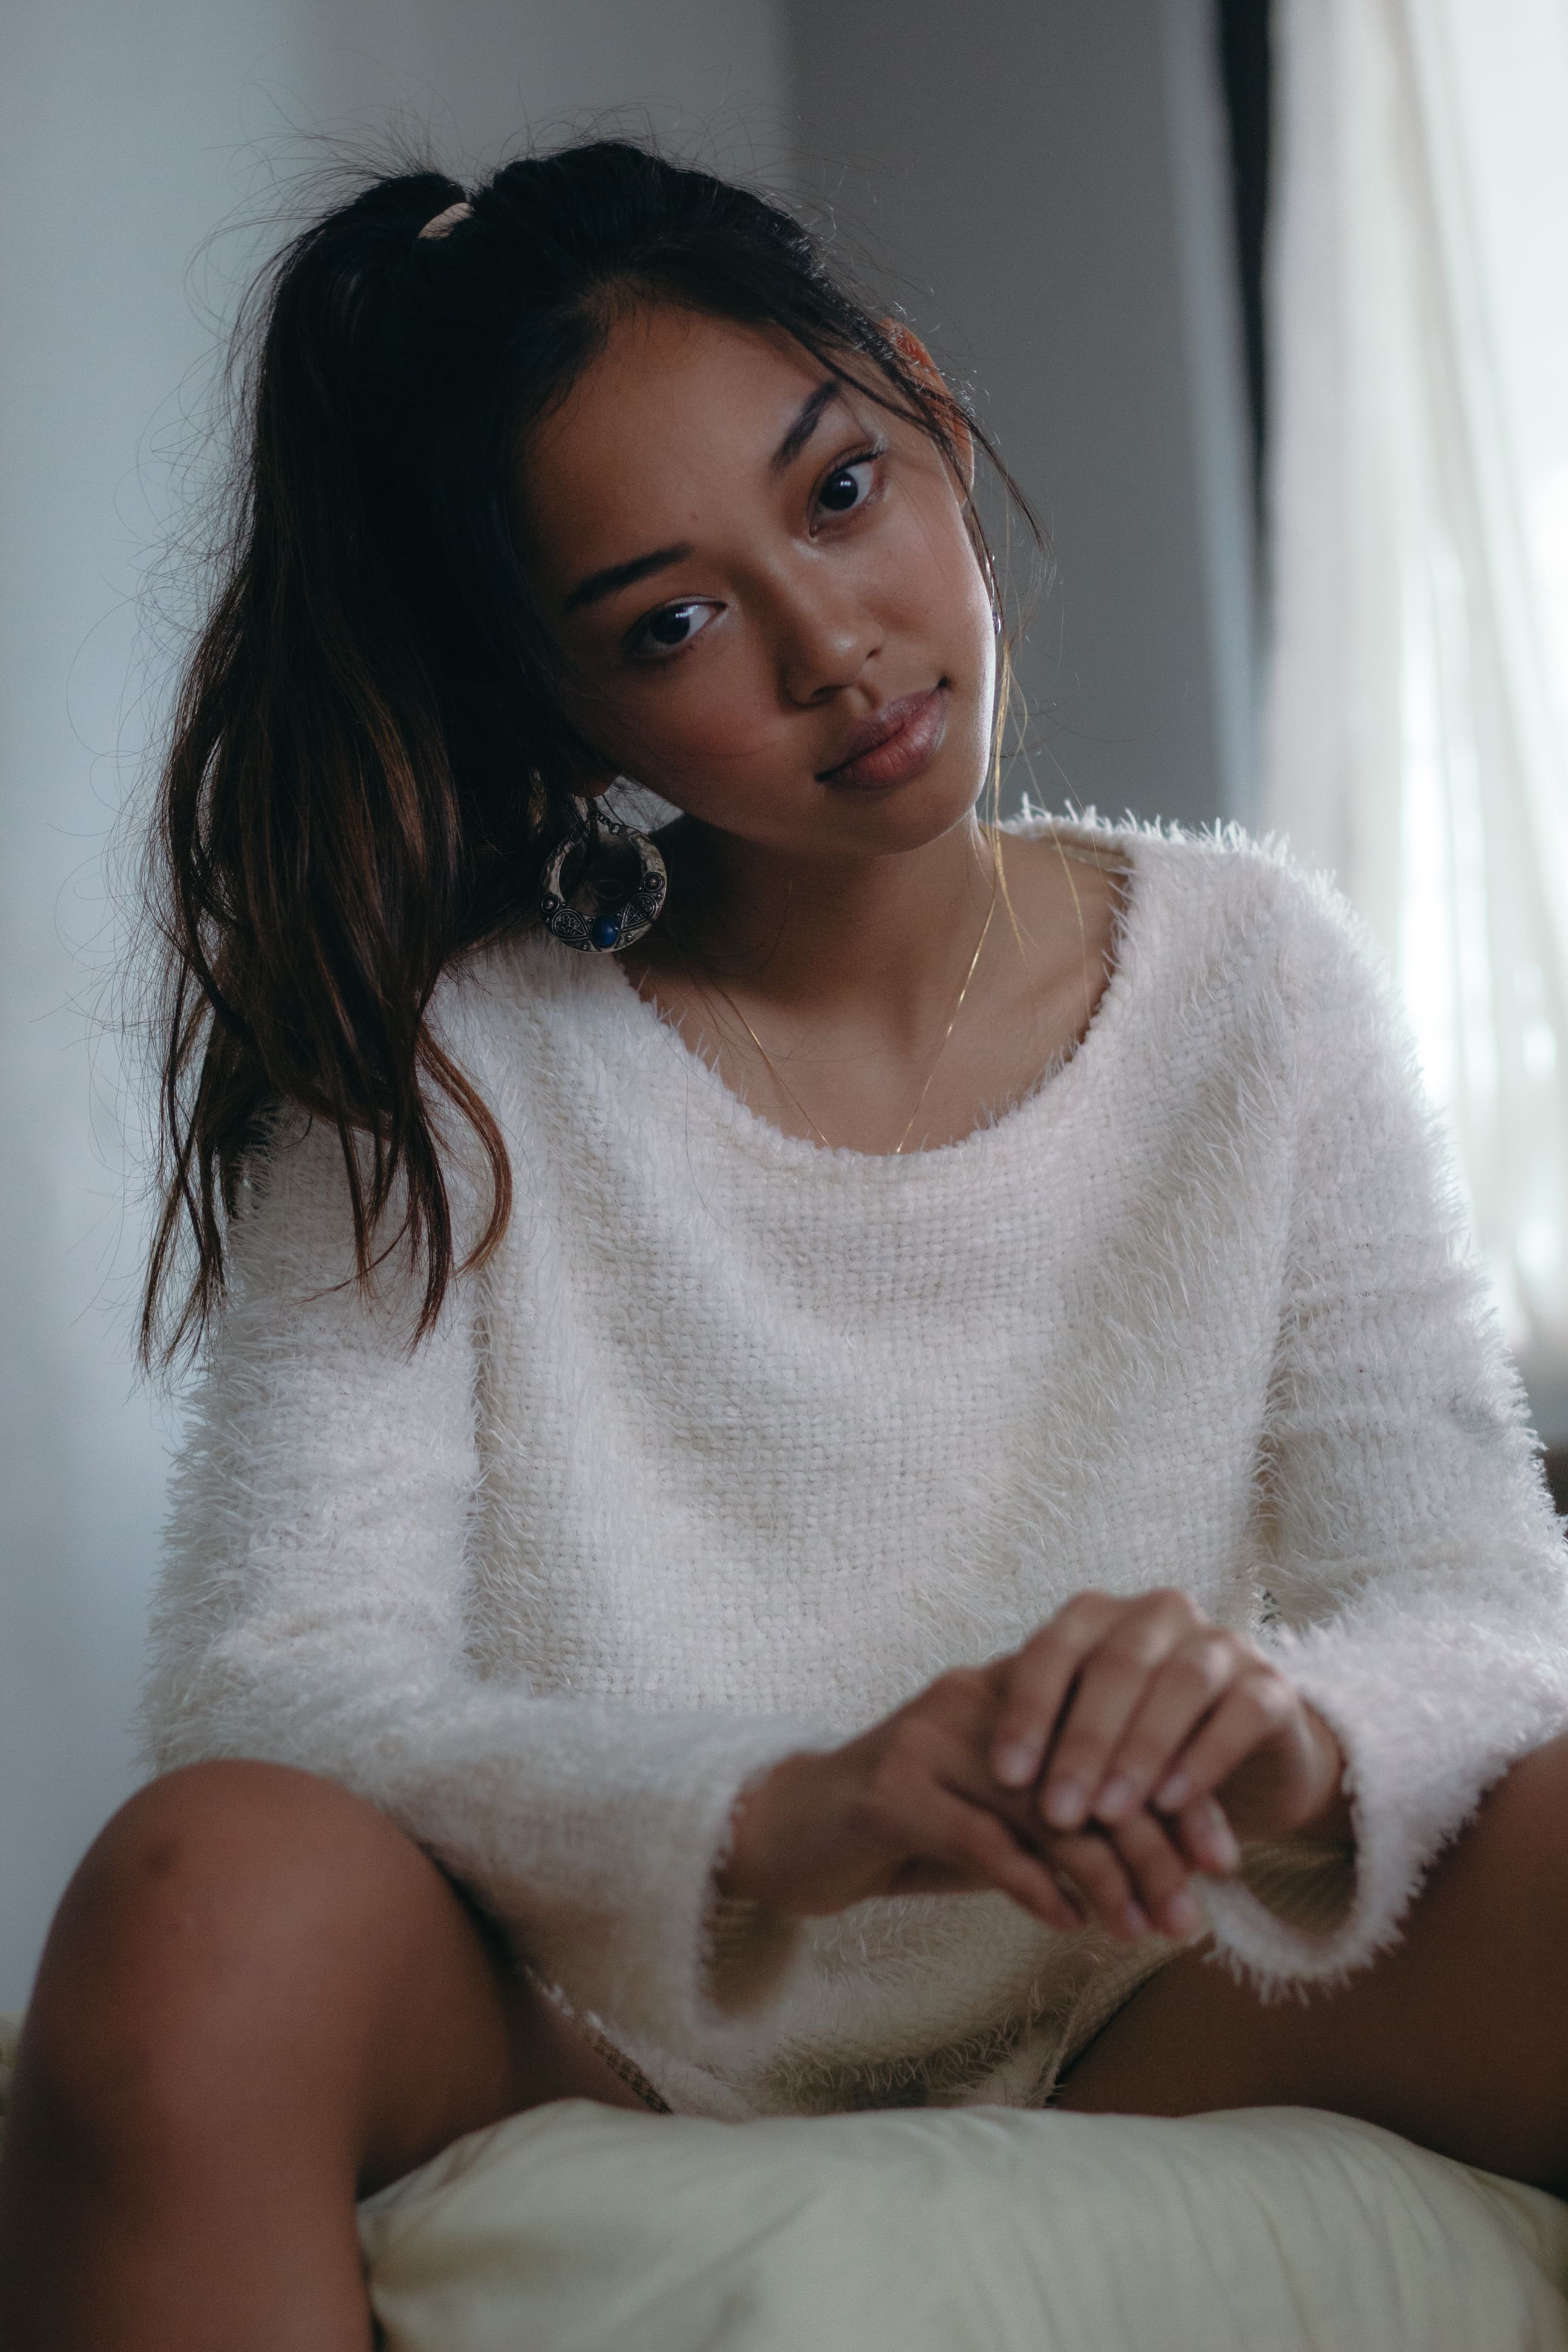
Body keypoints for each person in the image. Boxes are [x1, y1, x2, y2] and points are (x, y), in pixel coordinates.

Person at [4, 137, 1568, 2351]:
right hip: (616, 2022)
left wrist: (1281, 1727)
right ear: (562, 709)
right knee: (195, 1896)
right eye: (670, 622)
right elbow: (271, 1678)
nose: (837, 646)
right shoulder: (453, 1064)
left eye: (838, 492)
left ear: (921, 401)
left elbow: (1483, 1602)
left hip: (1156, 1996)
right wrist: (781, 1818)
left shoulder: (1257, 974)